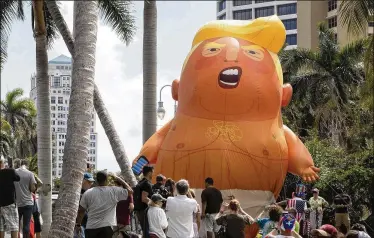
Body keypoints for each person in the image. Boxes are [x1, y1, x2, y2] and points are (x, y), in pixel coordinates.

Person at [75, 171, 133, 238]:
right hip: (107, 227)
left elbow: (81, 211)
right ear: (106, 180)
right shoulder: (114, 191)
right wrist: (117, 178)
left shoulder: (88, 193)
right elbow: (130, 191)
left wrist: (78, 224)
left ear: (96, 180)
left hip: (91, 227)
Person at [14, 159, 37, 238]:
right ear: (26, 165)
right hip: (28, 203)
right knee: (26, 225)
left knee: (16, 225)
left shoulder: (14, 172)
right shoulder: (30, 173)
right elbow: (32, 188)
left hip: (17, 204)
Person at [0, 158, 21, 238]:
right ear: (2, 163)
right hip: (9, 203)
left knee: (1, 227)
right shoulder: (10, 171)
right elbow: (18, 178)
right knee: (14, 225)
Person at [134, 165, 154, 235]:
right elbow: (144, 198)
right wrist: (155, 204)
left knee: (144, 230)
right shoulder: (146, 184)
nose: (153, 174)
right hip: (144, 211)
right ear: (149, 173)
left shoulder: (140, 182)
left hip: (139, 210)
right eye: (152, 172)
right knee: (146, 231)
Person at [74, 172, 95, 238]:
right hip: (79, 225)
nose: (90, 184)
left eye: (91, 182)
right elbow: (80, 211)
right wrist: (78, 224)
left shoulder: (88, 193)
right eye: (89, 182)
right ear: (83, 181)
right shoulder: (77, 193)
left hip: (87, 224)